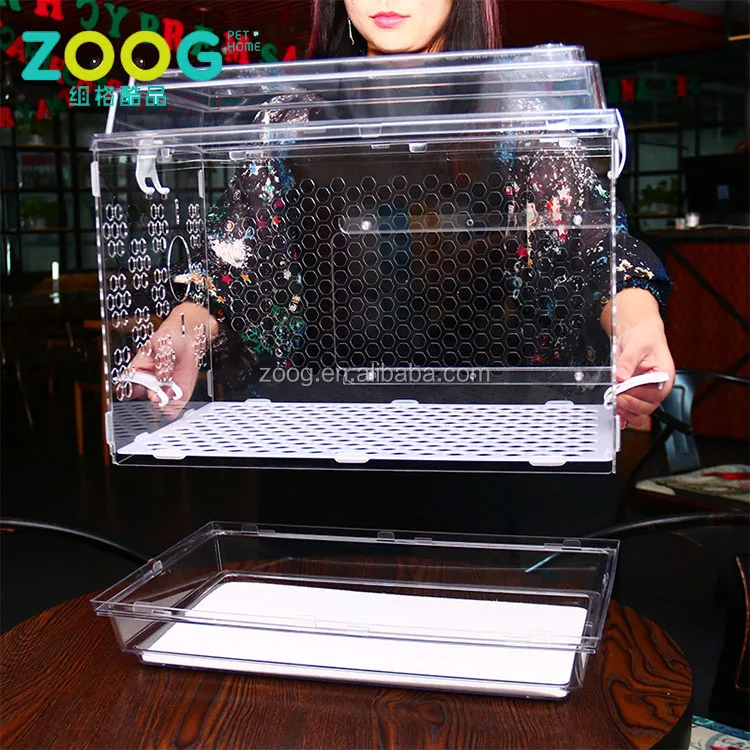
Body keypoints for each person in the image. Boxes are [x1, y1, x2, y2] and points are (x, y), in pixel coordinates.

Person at [129, 0, 675, 535]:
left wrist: (638, 325)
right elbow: (237, 265)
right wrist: (182, 335)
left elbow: (593, 259)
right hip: (323, 449)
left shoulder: (515, 115)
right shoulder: (294, 119)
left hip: (491, 452)